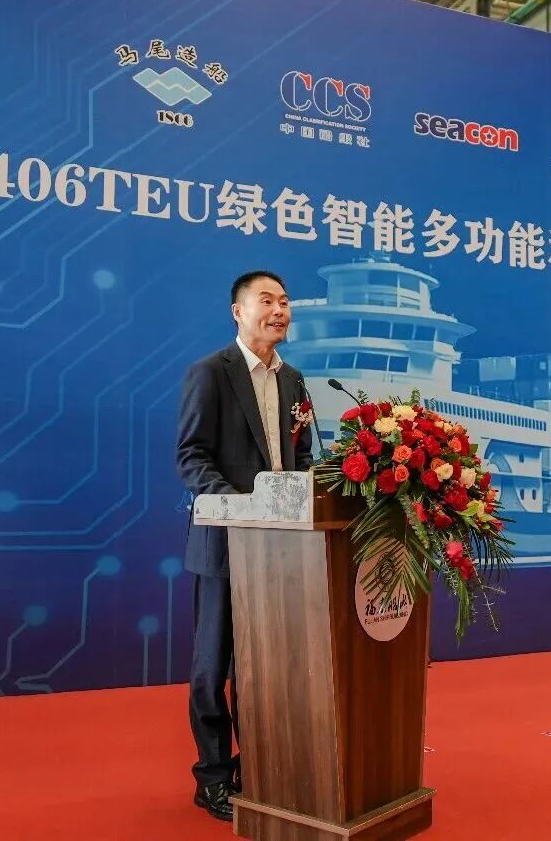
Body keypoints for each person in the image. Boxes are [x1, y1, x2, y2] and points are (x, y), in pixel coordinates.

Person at [174, 270, 315, 821]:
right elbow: (192, 455)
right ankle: (212, 776)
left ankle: (258, 766)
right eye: (267, 300)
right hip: (225, 546)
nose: (279, 310)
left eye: (285, 301)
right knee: (214, 667)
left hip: (284, 553)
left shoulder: (294, 381)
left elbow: (302, 458)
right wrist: (240, 506)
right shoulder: (211, 373)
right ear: (238, 311)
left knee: (268, 669)